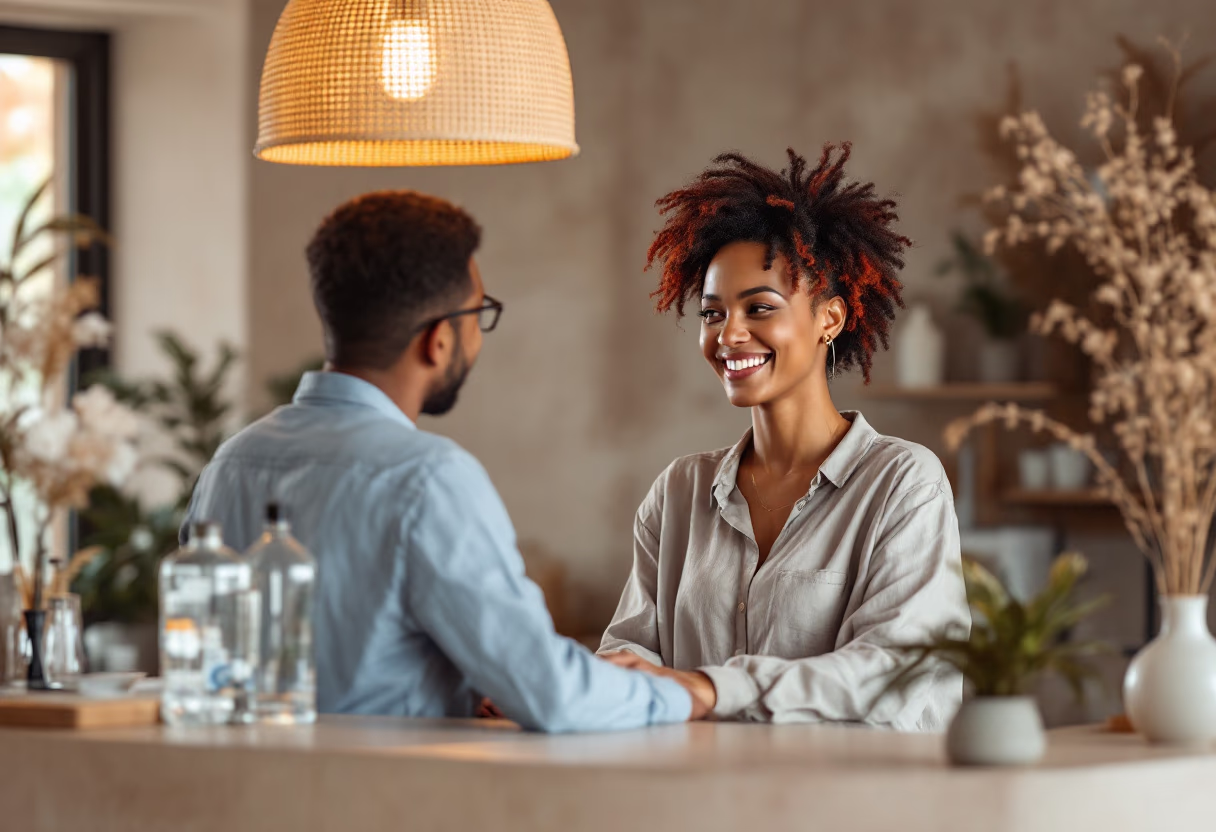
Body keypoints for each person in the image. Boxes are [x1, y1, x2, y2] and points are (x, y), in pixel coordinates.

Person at [182, 191, 704, 731]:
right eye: (478, 315)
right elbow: (553, 694)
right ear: (437, 340)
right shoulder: (427, 479)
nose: (478, 336)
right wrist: (687, 696)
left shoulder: (227, 464)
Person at [598, 146, 970, 730]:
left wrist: (709, 688)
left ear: (831, 319)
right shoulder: (680, 491)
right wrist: (579, 682)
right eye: (712, 313)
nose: (729, 335)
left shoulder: (903, 485)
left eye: (759, 307)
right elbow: (637, 652)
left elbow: (892, 673)